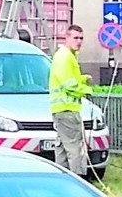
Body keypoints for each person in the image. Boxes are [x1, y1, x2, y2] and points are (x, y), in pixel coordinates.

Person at [49, 24, 93, 178]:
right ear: (66, 38)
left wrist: (82, 78)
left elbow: (68, 79)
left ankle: (61, 179)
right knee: (75, 148)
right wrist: (87, 90)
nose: (79, 41)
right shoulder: (65, 56)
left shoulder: (66, 55)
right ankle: (78, 180)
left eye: (81, 38)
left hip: (60, 109)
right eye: (75, 38)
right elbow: (68, 84)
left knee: (61, 147)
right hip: (68, 109)